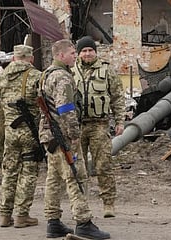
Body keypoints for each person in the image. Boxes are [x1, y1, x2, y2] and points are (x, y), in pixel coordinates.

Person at [38, 39, 110, 239]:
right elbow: (65, 109)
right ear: (61, 55)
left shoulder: (47, 74)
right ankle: (83, 221)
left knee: (54, 178)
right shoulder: (62, 77)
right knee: (76, 176)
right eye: (71, 53)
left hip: (48, 135)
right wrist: (74, 135)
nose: (75, 55)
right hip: (62, 135)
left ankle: (53, 221)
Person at [0, 45, 43, 228]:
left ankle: (4, 215)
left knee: (9, 171)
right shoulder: (36, 76)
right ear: (31, 58)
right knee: (28, 172)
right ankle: (21, 215)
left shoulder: (2, 76)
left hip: (10, 132)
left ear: (14, 59)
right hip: (29, 132)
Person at [72, 36, 126, 218]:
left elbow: (118, 96)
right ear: (78, 53)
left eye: (90, 50)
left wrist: (120, 121)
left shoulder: (107, 70)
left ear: (95, 52)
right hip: (77, 126)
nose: (87, 54)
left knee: (104, 165)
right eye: (84, 51)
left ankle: (108, 203)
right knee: (78, 168)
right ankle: (80, 205)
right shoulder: (71, 71)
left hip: (99, 125)